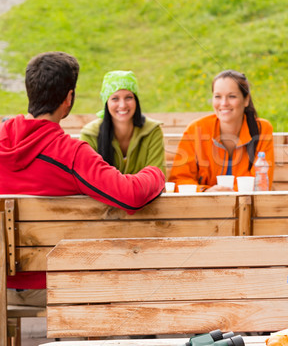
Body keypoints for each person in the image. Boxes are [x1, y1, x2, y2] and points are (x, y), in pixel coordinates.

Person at [0, 52, 165, 307]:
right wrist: (155, 173)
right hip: (51, 284)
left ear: (29, 92)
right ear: (69, 98)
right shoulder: (71, 154)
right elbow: (131, 196)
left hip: (2, 282)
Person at [169, 70, 274, 192]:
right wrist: (206, 192)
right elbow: (179, 180)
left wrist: (229, 194)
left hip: (247, 207)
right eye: (217, 96)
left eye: (232, 96)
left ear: (246, 100)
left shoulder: (262, 129)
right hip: (203, 208)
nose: (224, 103)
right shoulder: (196, 129)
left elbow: (260, 182)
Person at [80, 70, 166, 175]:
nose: (122, 105)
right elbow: (88, 178)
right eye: (115, 99)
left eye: (128, 97)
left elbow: (157, 178)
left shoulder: (152, 130)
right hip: (138, 190)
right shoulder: (90, 134)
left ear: (136, 101)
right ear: (106, 102)